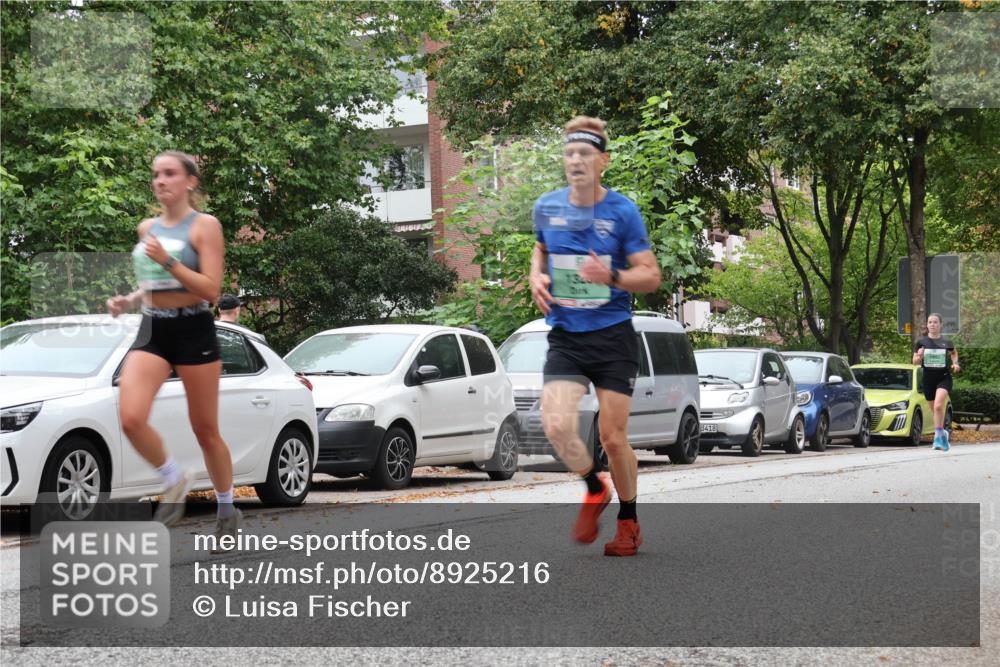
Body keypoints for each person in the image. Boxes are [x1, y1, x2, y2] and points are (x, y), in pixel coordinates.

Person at [529, 116, 662, 557]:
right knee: (555, 424)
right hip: (567, 335)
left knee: (611, 437)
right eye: (569, 153)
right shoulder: (547, 206)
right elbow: (542, 247)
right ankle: (593, 487)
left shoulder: (622, 211)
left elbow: (651, 276)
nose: (576, 161)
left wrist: (613, 275)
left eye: (585, 153)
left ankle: (629, 520)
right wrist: (536, 276)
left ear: (602, 161)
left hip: (612, 337)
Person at [107, 150, 241, 546]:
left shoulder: (205, 227)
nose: (160, 181)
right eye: (156, 175)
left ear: (190, 182)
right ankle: (173, 479)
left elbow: (212, 290)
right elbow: (153, 285)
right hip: (153, 329)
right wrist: (129, 301)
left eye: (169, 174)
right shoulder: (146, 226)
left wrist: (168, 260)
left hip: (194, 329)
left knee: (205, 430)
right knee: (130, 417)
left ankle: (226, 506)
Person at [912, 312, 960, 451]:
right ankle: (942, 433)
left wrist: (955, 363)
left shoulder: (947, 342)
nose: (932, 325)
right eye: (930, 322)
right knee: (935, 411)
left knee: (939, 406)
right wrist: (919, 356)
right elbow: (915, 362)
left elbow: (954, 353)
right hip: (928, 379)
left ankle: (938, 437)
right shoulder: (921, 342)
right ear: (927, 325)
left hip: (943, 377)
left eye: (935, 322)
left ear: (941, 325)